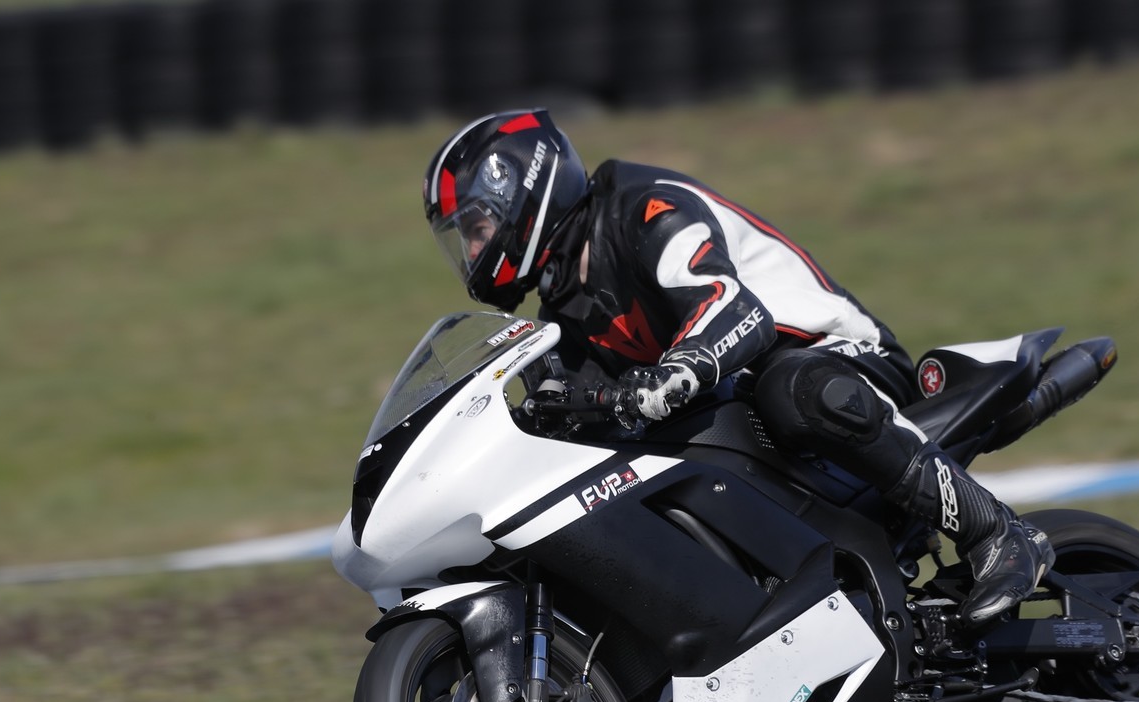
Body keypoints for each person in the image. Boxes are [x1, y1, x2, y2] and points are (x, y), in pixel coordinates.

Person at [422, 110, 1052, 625]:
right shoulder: (560, 316)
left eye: (475, 228)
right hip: (733, 403)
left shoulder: (645, 209)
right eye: (462, 239)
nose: (472, 251)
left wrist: (672, 374)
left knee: (794, 389)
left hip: (836, 359)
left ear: (524, 189)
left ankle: (996, 532)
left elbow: (735, 310)